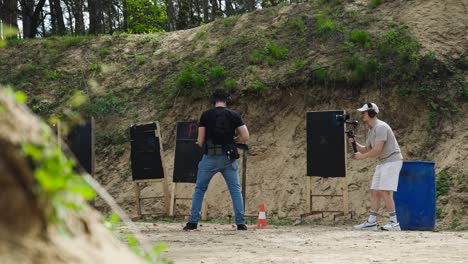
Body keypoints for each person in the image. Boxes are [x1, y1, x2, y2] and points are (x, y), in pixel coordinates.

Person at [183, 89, 250, 231]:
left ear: (214, 101)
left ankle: (193, 222)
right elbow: (245, 136)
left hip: (210, 157)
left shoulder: (206, 115)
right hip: (228, 158)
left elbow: (200, 140)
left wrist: (199, 143)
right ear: (227, 101)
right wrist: (234, 140)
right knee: (235, 190)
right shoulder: (234, 115)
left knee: (200, 188)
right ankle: (240, 223)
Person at [350, 103, 403, 231]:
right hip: (383, 162)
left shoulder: (381, 127)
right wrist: (353, 142)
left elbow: (377, 150)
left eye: (364, 112)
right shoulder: (371, 129)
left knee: (385, 191)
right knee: (375, 191)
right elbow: (366, 149)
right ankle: (372, 222)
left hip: (392, 161)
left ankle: (394, 223)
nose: (362, 114)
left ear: (372, 113)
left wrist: (361, 157)